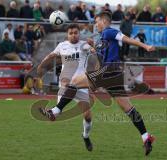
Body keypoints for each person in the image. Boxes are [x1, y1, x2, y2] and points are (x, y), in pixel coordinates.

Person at [38, 12, 155, 156]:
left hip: (107, 72)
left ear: (104, 21)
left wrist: (145, 46)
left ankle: (55, 111)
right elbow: (102, 55)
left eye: (96, 21)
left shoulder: (109, 31)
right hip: (115, 75)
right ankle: (146, 137)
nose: (95, 24)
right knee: (128, 109)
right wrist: (95, 46)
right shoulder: (102, 38)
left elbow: (126, 39)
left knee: (74, 82)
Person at [37, 24, 94, 151]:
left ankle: (85, 136)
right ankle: (54, 112)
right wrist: (41, 64)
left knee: (88, 116)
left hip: (81, 84)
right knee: (57, 113)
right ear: (67, 35)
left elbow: (95, 51)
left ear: (79, 34)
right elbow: (51, 55)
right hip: (65, 83)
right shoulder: (62, 45)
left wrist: (93, 45)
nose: (73, 35)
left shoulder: (84, 45)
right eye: (71, 33)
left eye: (75, 32)